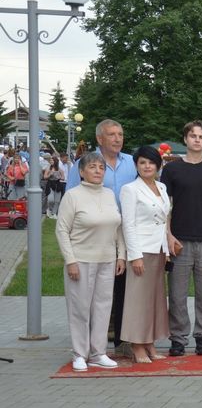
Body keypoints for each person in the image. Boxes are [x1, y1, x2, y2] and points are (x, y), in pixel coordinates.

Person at [65, 119, 138, 346]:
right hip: (90, 236)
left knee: (120, 285)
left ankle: (120, 336)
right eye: (112, 134)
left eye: (120, 134)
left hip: (123, 232)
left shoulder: (131, 163)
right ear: (99, 138)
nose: (117, 139)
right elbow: (71, 200)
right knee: (87, 293)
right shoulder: (85, 163)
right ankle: (87, 343)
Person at [161, 121, 202, 357]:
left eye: (201, 136)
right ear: (186, 139)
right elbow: (164, 205)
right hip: (179, 241)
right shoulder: (171, 170)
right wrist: (167, 235)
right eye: (193, 136)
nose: (197, 140)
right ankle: (178, 339)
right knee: (177, 295)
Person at [55, 152, 125, 371]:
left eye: (101, 167)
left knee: (103, 308)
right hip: (81, 259)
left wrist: (120, 254)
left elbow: (118, 227)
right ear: (82, 172)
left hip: (107, 259)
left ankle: (98, 352)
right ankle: (79, 354)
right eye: (92, 167)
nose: (98, 171)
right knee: (80, 308)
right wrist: (70, 261)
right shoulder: (73, 196)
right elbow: (61, 230)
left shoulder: (109, 194)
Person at [120, 146, 171, 363]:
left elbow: (164, 219)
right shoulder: (130, 189)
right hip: (141, 250)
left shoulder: (161, 186)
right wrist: (135, 255)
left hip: (159, 249)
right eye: (142, 162)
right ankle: (136, 345)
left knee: (154, 300)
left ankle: (149, 342)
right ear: (136, 166)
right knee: (137, 300)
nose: (147, 166)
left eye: (151, 162)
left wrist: (167, 248)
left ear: (158, 165)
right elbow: (128, 225)